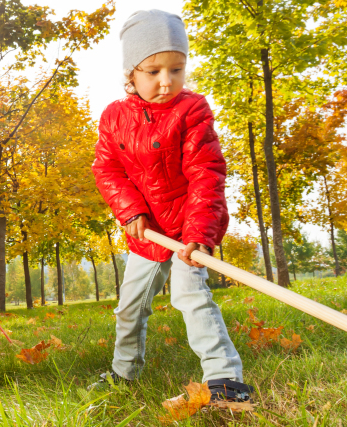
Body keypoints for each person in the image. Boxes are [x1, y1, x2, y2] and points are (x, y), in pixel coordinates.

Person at [88, 9, 253, 402]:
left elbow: (206, 174)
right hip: (147, 233)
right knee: (130, 307)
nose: (166, 82)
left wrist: (198, 235)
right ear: (132, 72)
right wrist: (130, 212)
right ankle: (123, 373)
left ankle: (225, 381)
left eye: (176, 69)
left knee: (190, 297)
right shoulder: (113, 118)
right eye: (153, 71)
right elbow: (107, 169)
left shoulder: (192, 110)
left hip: (186, 229)